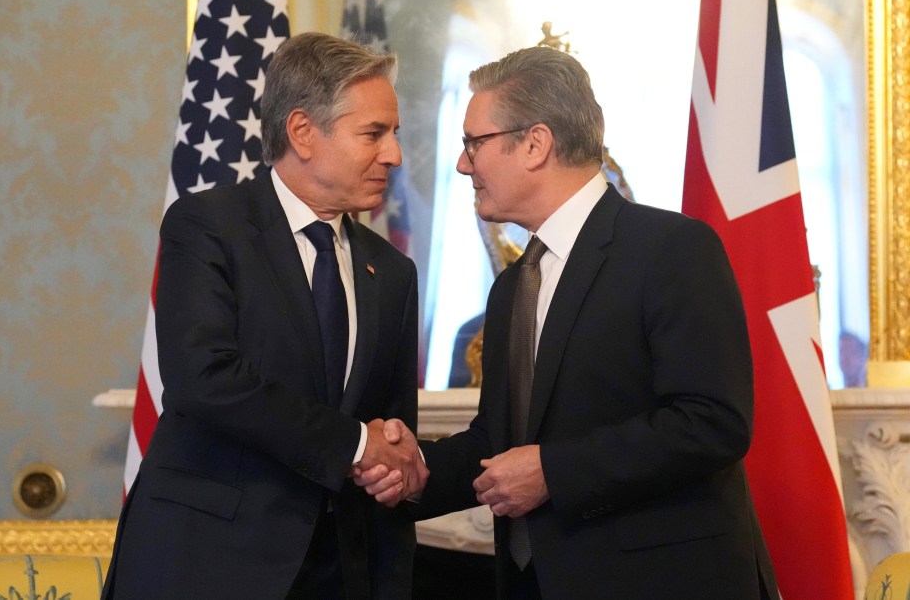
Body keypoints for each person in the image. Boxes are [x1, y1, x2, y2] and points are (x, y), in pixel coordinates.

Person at [357, 46, 779, 599]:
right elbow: (499, 442)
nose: (463, 164)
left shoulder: (672, 249)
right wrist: (411, 468)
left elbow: (711, 421)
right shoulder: (513, 285)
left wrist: (554, 472)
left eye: (473, 143)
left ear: (535, 144)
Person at [102, 32, 427, 600]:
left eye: (394, 133)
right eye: (374, 133)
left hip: (337, 574)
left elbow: (392, 431)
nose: (395, 154)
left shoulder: (391, 272)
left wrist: (399, 465)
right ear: (303, 131)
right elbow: (202, 379)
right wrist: (354, 443)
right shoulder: (208, 226)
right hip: (206, 565)